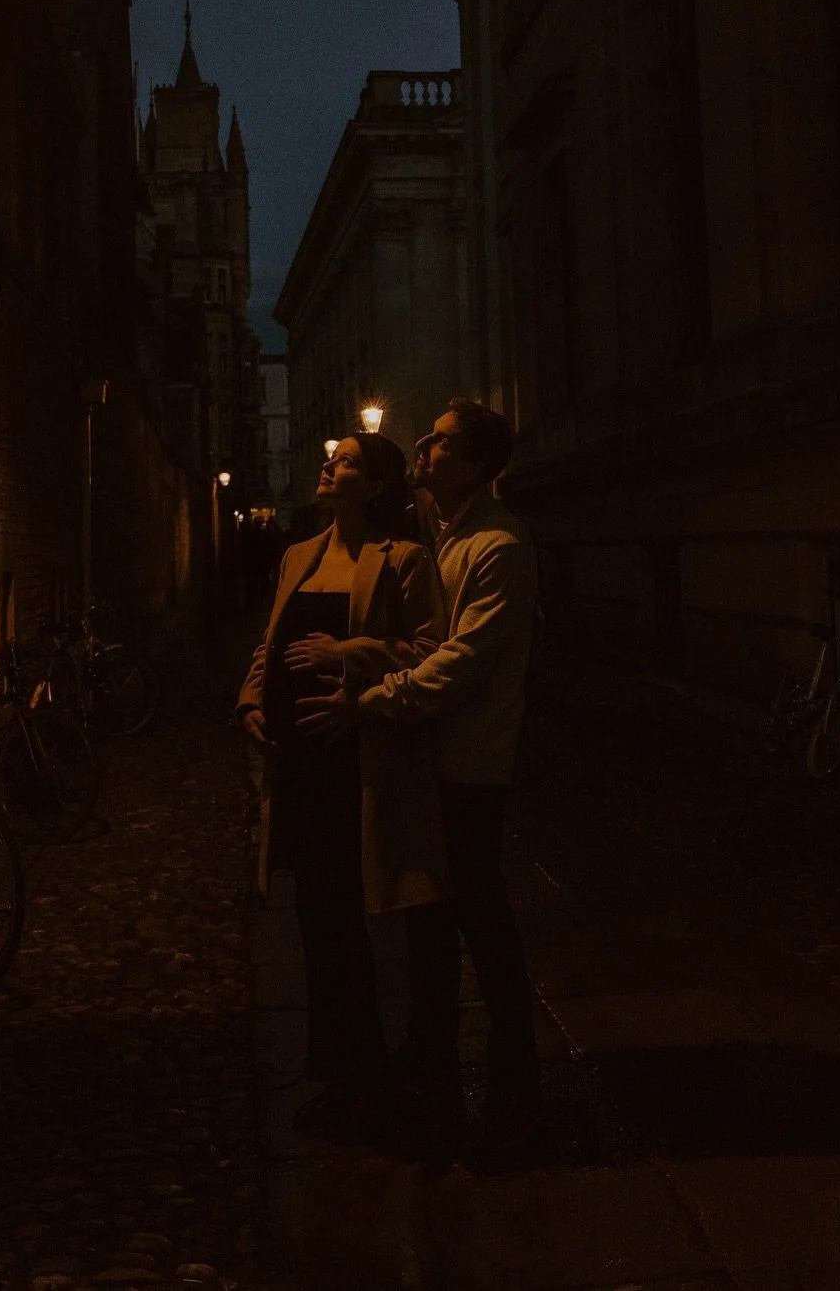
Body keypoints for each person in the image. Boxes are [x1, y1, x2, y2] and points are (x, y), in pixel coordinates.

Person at [298, 399, 540, 1152]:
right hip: (434, 757)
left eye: (439, 443)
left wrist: (370, 699)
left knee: (482, 926)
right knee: (434, 926)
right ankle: (432, 1066)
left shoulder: (497, 544)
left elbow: (459, 663)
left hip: (467, 763)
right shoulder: (443, 535)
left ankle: (514, 1089)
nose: (424, 449)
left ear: (470, 463)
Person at [235, 433, 447, 1140]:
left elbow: (427, 651)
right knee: (317, 924)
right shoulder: (299, 553)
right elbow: (269, 642)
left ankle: (371, 1077)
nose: (328, 465)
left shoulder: (405, 559)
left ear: (375, 484)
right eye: (330, 458)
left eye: (347, 460)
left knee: (356, 923)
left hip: (356, 764)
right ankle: (341, 1072)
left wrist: (346, 653)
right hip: (299, 762)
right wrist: (251, 700)